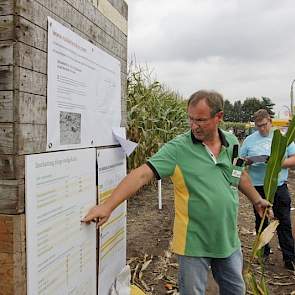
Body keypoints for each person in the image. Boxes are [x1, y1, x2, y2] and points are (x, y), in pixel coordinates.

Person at [83, 90, 270, 295]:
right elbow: (141, 175)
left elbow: (239, 173)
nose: (194, 125)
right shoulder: (178, 149)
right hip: (193, 243)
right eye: (191, 119)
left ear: (219, 117)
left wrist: (256, 199)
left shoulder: (232, 142)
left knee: (235, 291)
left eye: (200, 120)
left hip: (227, 239)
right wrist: (108, 206)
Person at [240, 109, 295, 271]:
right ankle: (262, 253)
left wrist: (275, 162)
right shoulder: (249, 140)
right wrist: (248, 162)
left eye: (264, 125)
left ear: (270, 122)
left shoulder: (282, 139)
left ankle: (289, 258)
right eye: (258, 126)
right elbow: (240, 161)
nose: (262, 129)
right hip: (257, 188)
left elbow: (293, 159)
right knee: (261, 221)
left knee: (283, 221)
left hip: (278, 186)